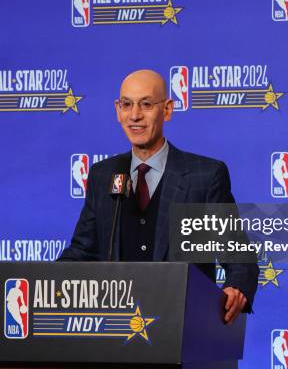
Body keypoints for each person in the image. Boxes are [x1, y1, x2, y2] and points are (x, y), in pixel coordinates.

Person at [59, 69, 259, 324]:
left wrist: (236, 288)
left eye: (146, 104)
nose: (135, 115)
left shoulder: (205, 176)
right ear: (117, 110)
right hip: (113, 330)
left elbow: (238, 255)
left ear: (166, 109)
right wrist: (45, 286)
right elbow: (81, 252)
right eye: (126, 105)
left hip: (181, 329)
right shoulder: (103, 175)